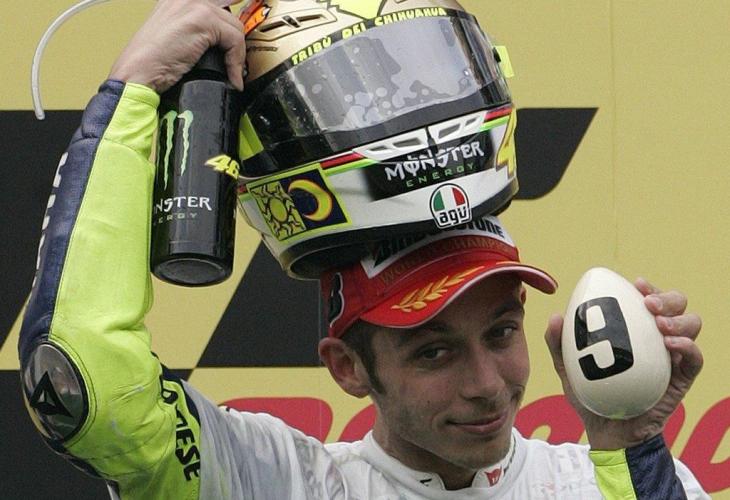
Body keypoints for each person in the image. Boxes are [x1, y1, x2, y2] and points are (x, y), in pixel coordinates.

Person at [19, 0, 707, 498]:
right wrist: (133, 93)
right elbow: (83, 381)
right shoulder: (278, 483)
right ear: (347, 367)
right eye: (433, 351)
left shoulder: (606, 478)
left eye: (501, 332)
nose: (487, 383)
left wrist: (630, 443)